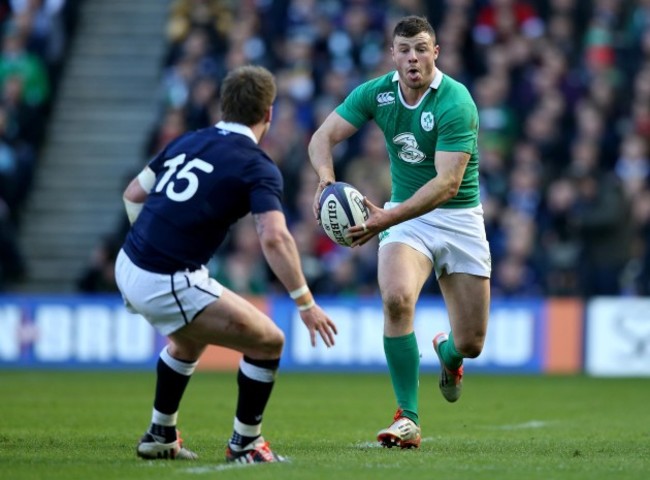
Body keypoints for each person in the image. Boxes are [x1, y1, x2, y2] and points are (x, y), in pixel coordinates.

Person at [115, 65, 337, 463]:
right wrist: (306, 303)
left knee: (187, 341)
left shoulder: (190, 140)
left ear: (224, 106)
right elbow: (274, 236)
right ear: (268, 113)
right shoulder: (257, 165)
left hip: (129, 263)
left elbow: (133, 194)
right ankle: (246, 443)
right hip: (164, 275)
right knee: (269, 341)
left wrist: (146, 246)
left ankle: (161, 433)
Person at [308, 15, 491, 449]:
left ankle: (449, 356)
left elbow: (447, 185)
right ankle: (407, 417)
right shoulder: (377, 93)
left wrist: (384, 219)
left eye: (422, 49)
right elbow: (322, 137)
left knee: (472, 342)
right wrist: (324, 180)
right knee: (395, 298)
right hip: (407, 220)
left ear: (436, 53)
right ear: (393, 55)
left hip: (459, 218)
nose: (413, 58)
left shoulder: (456, 101)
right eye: (405, 50)